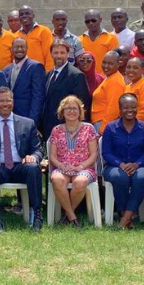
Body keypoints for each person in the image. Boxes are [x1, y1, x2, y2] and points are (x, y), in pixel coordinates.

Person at [0, 87, 44, 231]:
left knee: (33, 167)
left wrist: (33, 157)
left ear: (13, 102)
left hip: (21, 166)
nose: (5, 104)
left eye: (8, 100)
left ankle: (37, 214)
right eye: (1, 101)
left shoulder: (28, 123)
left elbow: (38, 149)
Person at [101, 94, 144, 229]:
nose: (130, 110)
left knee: (141, 177)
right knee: (120, 177)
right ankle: (125, 214)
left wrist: (137, 164)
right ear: (120, 109)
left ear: (137, 108)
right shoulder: (110, 128)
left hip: (140, 165)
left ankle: (126, 218)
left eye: (133, 107)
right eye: (126, 107)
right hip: (115, 166)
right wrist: (121, 164)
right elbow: (106, 153)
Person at [47, 95, 99, 227]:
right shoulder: (56, 130)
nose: (71, 111)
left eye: (75, 108)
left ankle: (67, 216)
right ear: (62, 112)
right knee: (57, 179)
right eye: (68, 108)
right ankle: (72, 217)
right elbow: (52, 156)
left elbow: (94, 154)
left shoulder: (89, 128)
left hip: (84, 168)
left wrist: (81, 166)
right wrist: (61, 166)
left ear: (80, 111)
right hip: (62, 168)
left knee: (80, 182)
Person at [40, 41, 90, 139]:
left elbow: (83, 106)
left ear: (68, 54)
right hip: (48, 130)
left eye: (62, 53)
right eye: (56, 53)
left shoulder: (76, 75)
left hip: (68, 130)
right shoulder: (48, 75)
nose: (59, 56)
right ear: (51, 54)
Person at [2, 37, 45, 125]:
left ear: (27, 48)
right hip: (10, 118)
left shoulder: (35, 67)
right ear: (11, 49)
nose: (19, 49)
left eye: (22, 47)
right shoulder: (6, 70)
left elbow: (38, 96)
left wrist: (32, 121)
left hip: (27, 117)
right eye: (16, 47)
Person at [91, 50, 127, 131]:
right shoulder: (110, 77)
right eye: (104, 62)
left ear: (118, 64)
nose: (106, 66)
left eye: (110, 63)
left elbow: (114, 108)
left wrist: (103, 129)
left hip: (103, 124)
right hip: (99, 122)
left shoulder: (115, 81)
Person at [18, 6, 55, 71]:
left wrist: (48, 73)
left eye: (27, 13)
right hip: (22, 74)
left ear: (33, 16)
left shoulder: (43, 31)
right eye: (21, 14)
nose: (24, 16)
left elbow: (49, 55)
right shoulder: (16, 35)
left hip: (40, 72)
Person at [122, 57, 144, 123]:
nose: (131, 70)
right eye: (128, 67)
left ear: (142, 70)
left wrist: (129, 123)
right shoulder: (128, 86)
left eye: (135, 68)